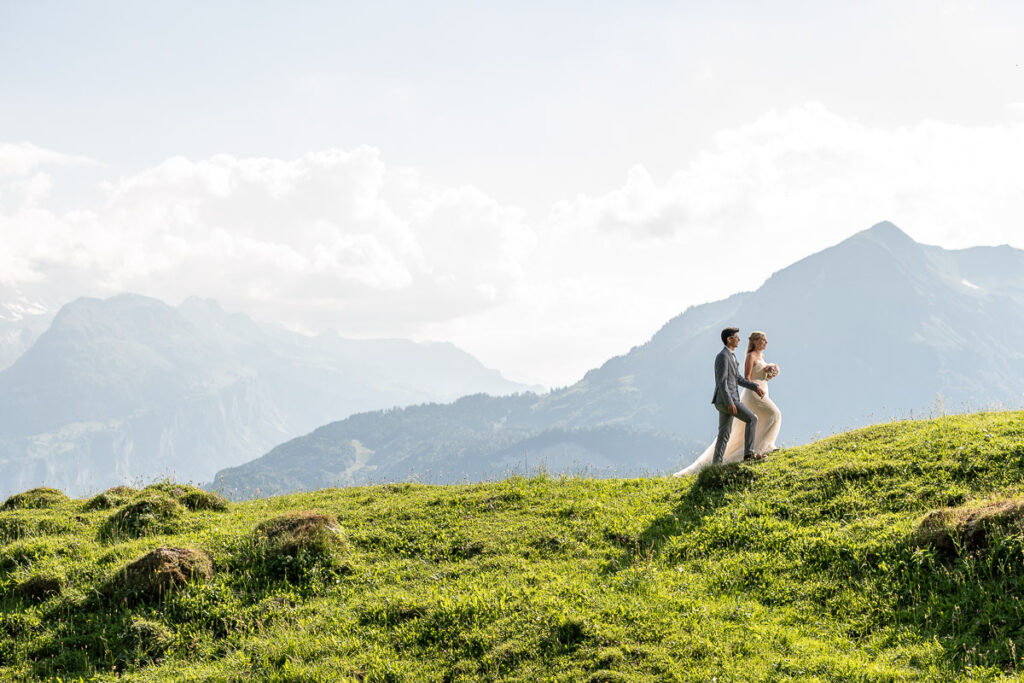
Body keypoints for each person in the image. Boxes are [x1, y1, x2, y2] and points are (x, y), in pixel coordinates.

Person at [673, 327, 768, 477]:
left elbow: (737, 379)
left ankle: (716, 466)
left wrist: (754, 386)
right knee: (752, 418)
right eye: (736, 337)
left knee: (724, 434)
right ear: (729, 339)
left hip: (725, 400)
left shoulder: (731, 356)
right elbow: (722, 381)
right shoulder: (722, 356)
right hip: (726, 400)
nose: (739, 340)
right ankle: (748, 455)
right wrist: (730, 402)